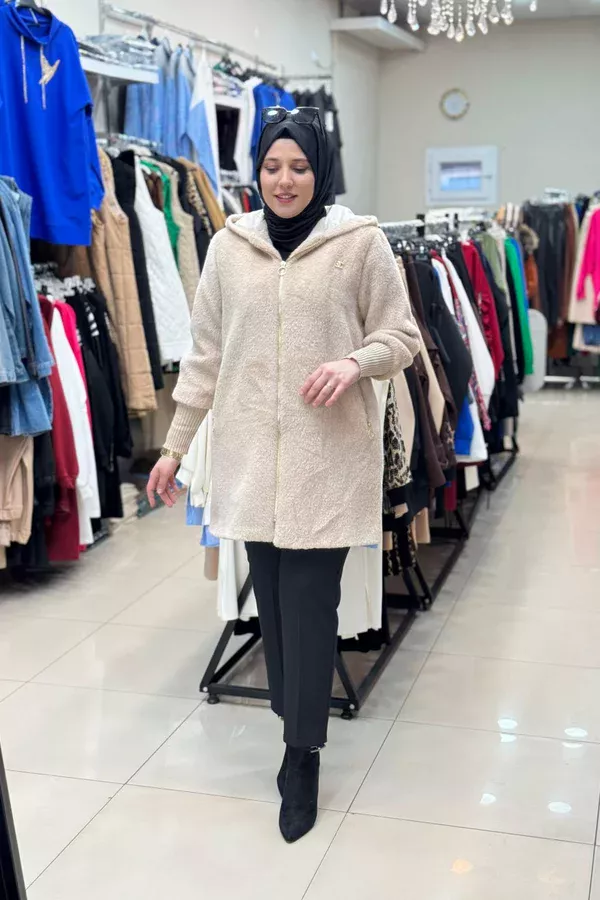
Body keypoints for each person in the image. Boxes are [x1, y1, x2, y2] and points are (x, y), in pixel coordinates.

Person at [147, 107, 420, 843]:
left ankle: (303, 756)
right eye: (272, 166)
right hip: (248, 465)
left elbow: (402, 335)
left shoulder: (360, 244)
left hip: (326, 464)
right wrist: (173, 448)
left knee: (309, 610)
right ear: (257, 172)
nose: (285, 180)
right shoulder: (228, 248)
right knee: (271, 609)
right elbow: (205, 359)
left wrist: (354, 362)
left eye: (299, 166)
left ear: (320, 170)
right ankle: (292, 720)